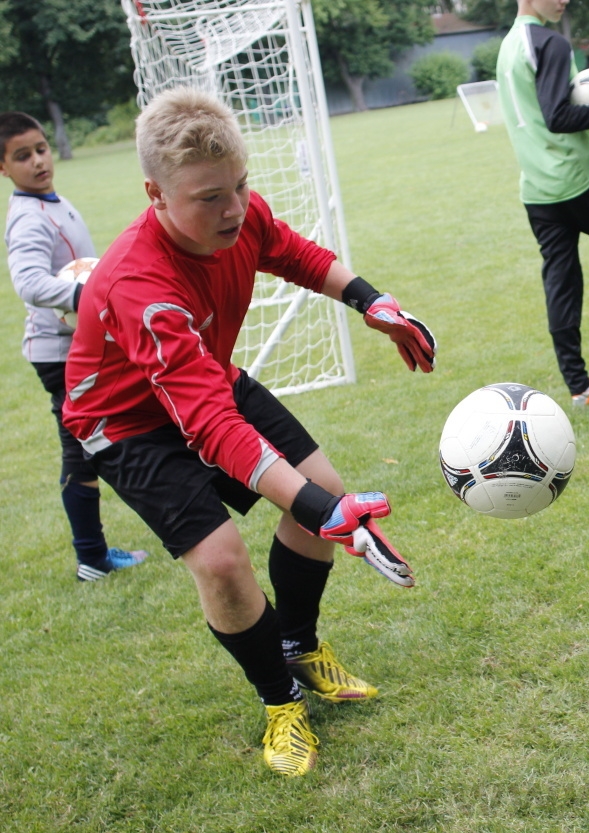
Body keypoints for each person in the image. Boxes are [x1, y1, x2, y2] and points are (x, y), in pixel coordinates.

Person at [61, 87, 437, 776]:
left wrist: (371, 300)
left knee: (321, 488)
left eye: (239, 184)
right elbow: (207, 426)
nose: (233, 208)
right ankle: (278, 696)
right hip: (125, 422)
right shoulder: (137, 284)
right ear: (155, 194)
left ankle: (298, 641)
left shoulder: (242, 213)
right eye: (208, 197)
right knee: (223, 559)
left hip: (204, 374)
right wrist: (328, 517)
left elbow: (291, 250)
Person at [0, 111, 148, 583]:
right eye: (22, 156)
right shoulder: (26, 217)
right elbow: (29, 282)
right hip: (59, 354)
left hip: (76, 348)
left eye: (41, 149)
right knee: (83, 452)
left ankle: (93, 553)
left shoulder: (51, 201)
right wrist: (88, 294)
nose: (38, 161)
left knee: (88, 450)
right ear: (3, 167)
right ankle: (91, 556)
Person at [496, 0, 589, 407]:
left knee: (562, 282)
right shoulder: (551, 43)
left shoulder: (508, 46)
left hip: (537, 190)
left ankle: (580, 387)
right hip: (582, 177)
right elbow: (557, 116)